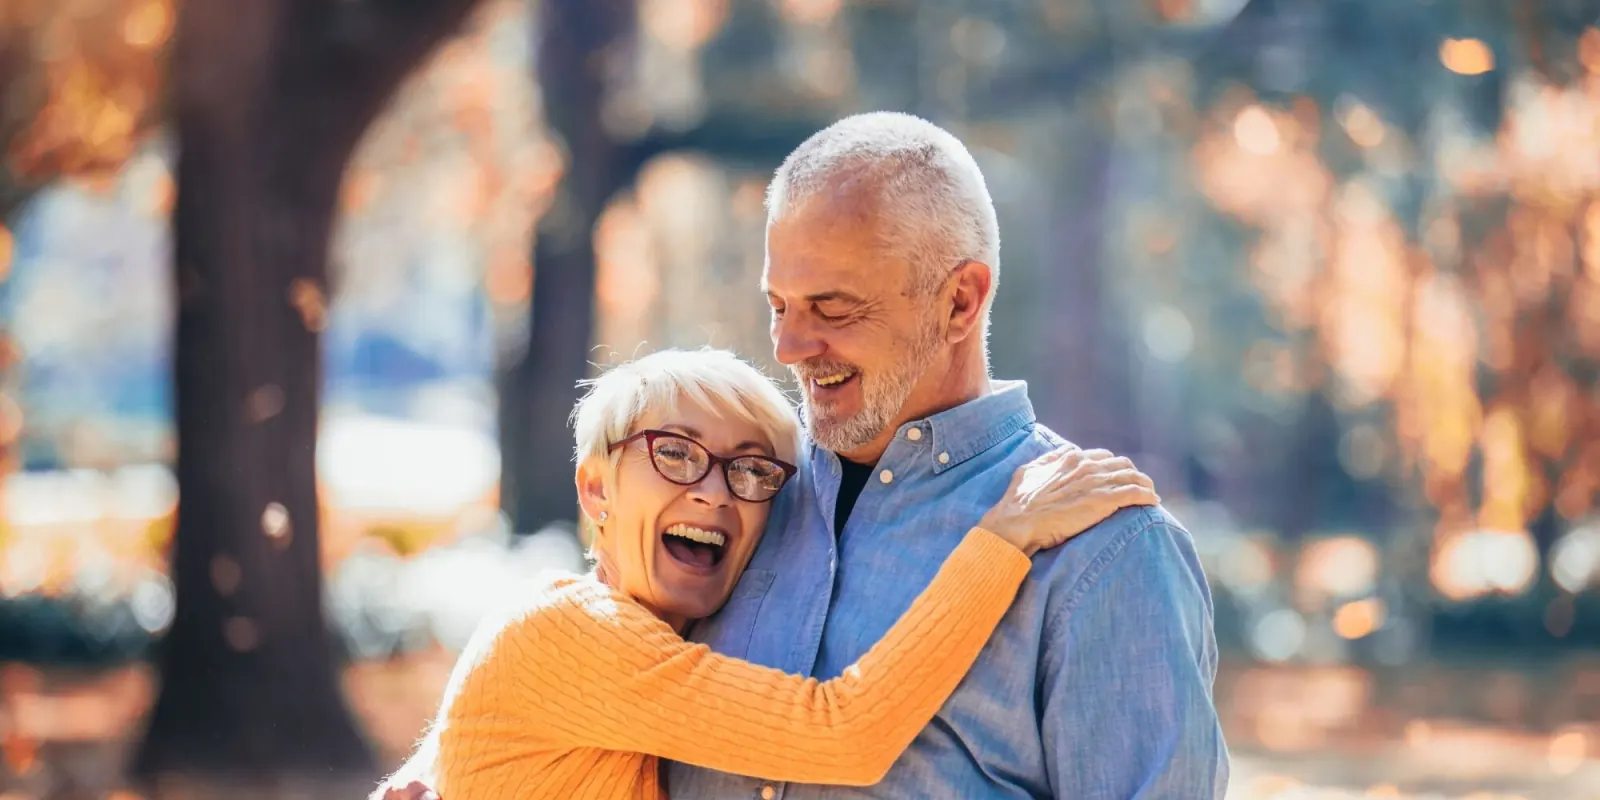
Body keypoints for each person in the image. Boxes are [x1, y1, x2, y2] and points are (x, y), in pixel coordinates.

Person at [389, 111, 1228, 799]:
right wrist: (446, 768)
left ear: (961, 299)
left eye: (833, 305)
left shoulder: (1102, 547)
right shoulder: (744, 502)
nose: (791, 345)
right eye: (779, 304)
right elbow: (584, 669)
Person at [375, 347, 1159, 799]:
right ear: (595, 488)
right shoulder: (565, 631)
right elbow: (843, 732)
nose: (714, 491)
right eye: (674, 453)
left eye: (753, 471)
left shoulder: (657, 642)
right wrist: (1004, 537)